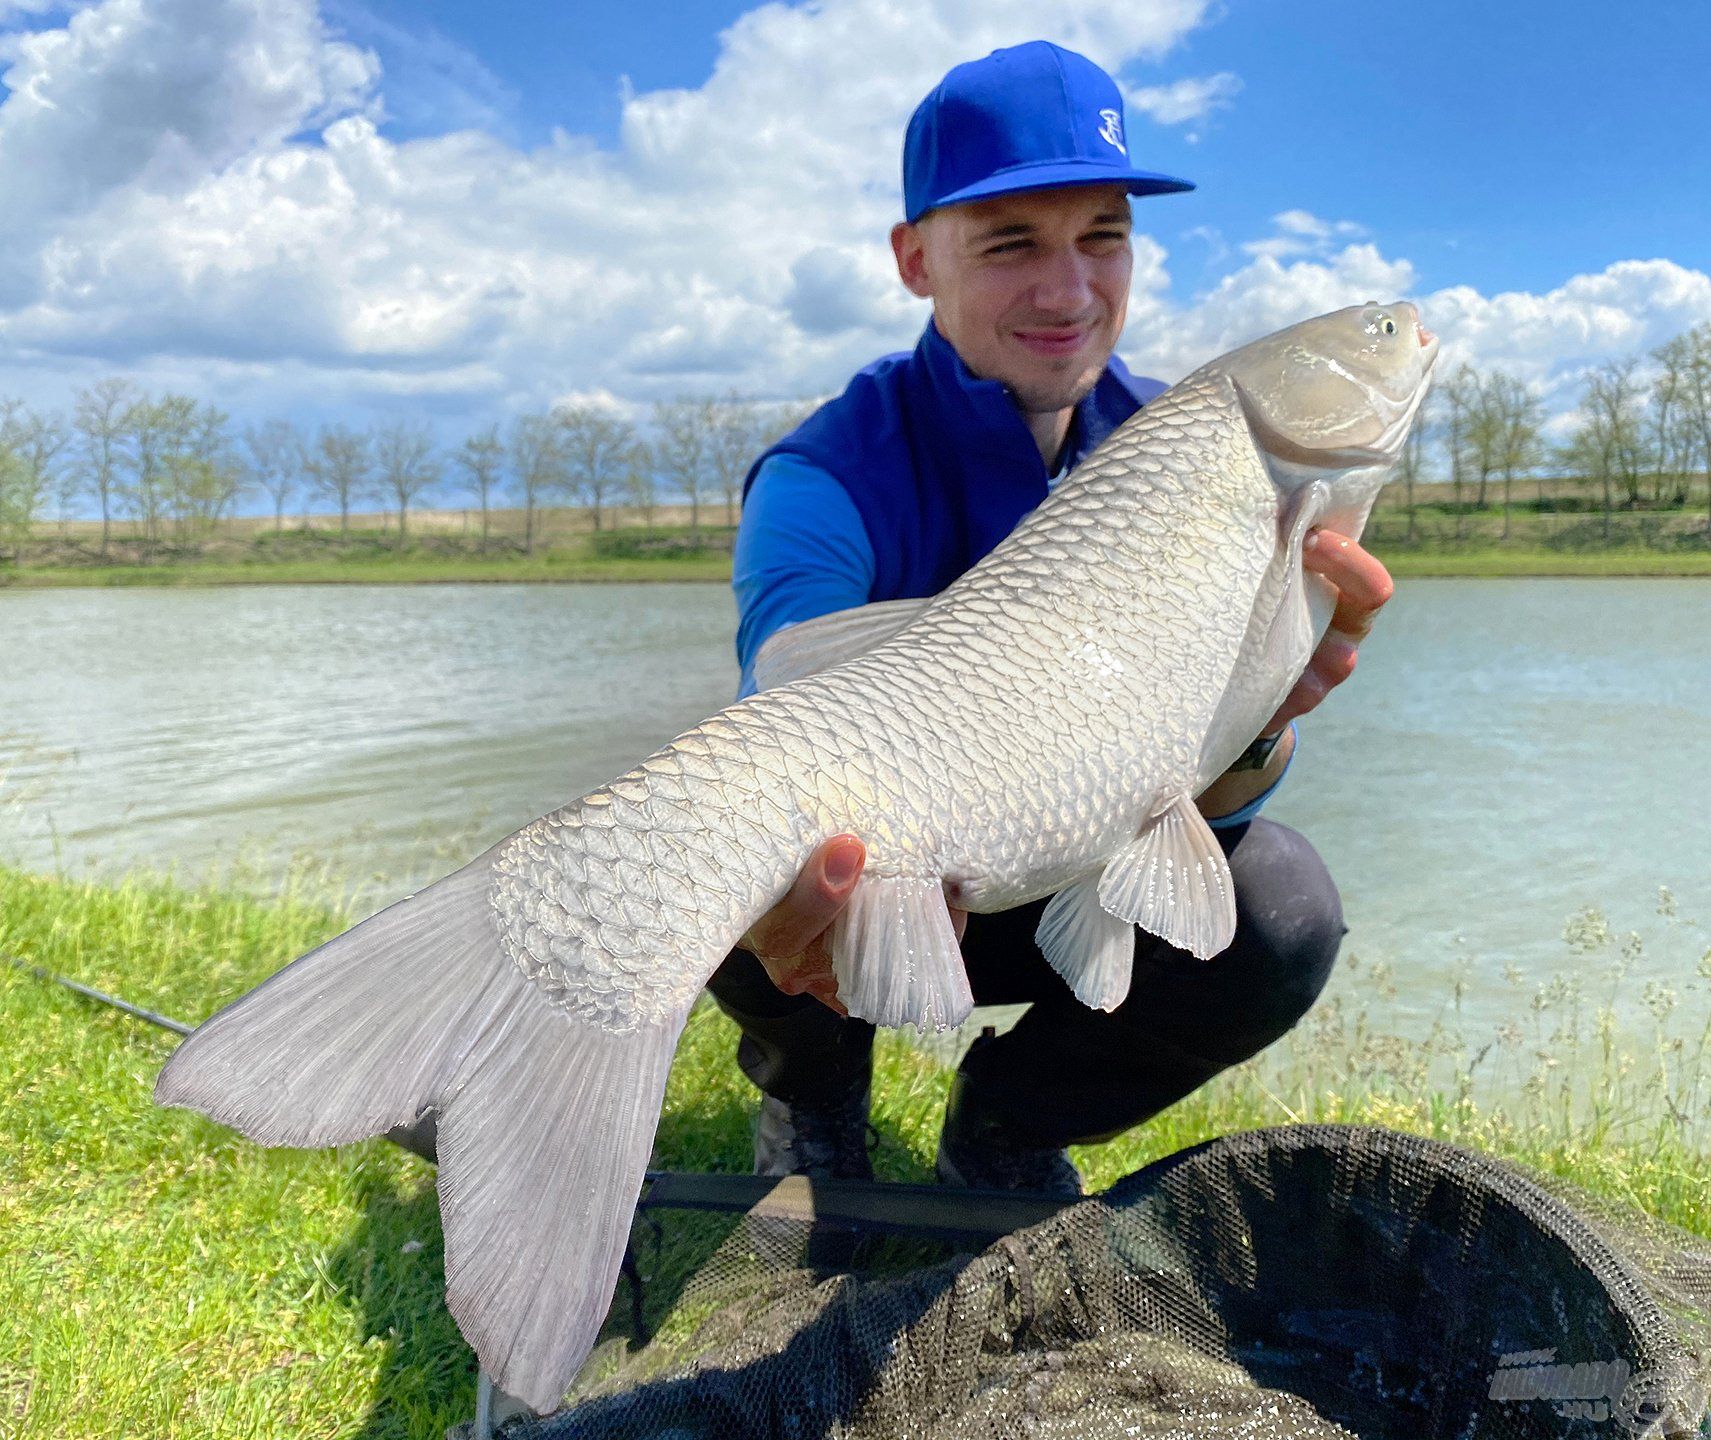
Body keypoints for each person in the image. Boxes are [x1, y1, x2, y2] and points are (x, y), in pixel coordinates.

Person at [705, 41, 1392, 1196]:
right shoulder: (823, 475)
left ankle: (1008, 1126)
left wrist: (1264, 724)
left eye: (1102, 238)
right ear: (915, 258)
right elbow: (785, 717)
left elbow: (1192, 789)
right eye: (1012, 243)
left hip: (1076, 857)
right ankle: (815, 1101)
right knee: (729, 843)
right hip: (870, 878)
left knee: (1281, 911)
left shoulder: (1190, 450)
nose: (1069, 292)